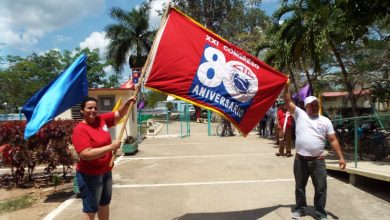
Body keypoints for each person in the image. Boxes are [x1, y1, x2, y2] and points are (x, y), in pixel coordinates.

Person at [283, 83, 346, 220]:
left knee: (321, 188)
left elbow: (333, 140)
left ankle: (321, 213)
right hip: (300, 160)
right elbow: (288, 101)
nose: (315, 106)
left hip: (318, 161)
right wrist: (286, 86)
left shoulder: (325, 121)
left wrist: (341, 157)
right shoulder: (300, 115)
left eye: (316, 104)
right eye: (312, 104)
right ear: (306, 106)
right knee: (300, 186)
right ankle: (300, 209)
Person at [72, 96, 136, 220]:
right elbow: (85, 154)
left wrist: (127, 104)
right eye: (89, 107)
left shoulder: (101, 120)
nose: (93, 110)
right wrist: (110, 147)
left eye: (95, 108)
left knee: (104, 203)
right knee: (91, 209)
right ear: (82, 110)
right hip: (90, 175)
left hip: (106, 170)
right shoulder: (80, 129)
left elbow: (118, 115)